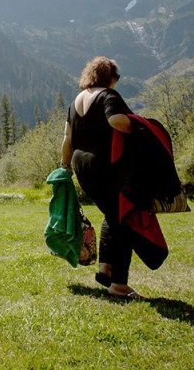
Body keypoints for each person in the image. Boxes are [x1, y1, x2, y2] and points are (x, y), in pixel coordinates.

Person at [60, 56, 140, 299]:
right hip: (104, 164)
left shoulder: (76, 101)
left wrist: (65, 167)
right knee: (124, 217)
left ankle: (105, 269)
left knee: (112, 214)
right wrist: (140, 128)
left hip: (81, 164)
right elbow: (116, 120)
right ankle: (119, 285)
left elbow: (67, 138)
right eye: (117, 77)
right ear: (110, 77)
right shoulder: (108, 96)